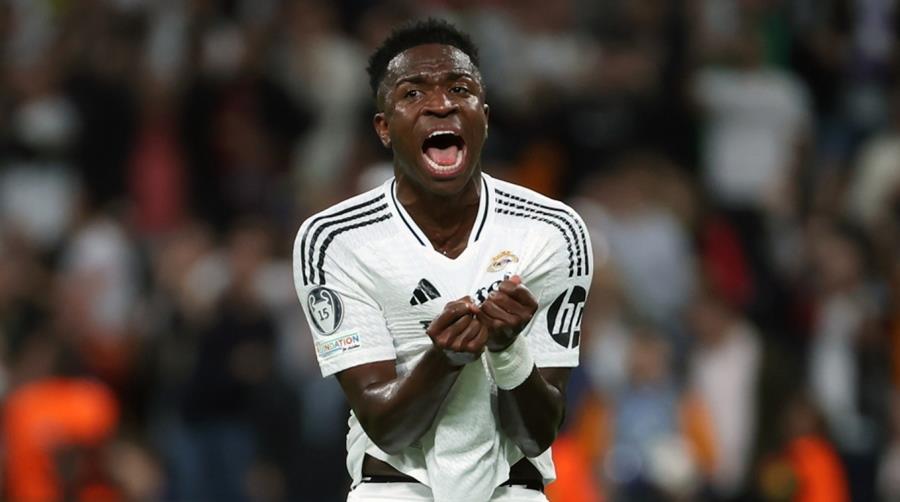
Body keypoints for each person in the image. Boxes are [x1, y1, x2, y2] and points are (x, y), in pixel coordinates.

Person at [292, 19, 593, 502]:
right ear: (384, 128)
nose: (441, 104)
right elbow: (388, 429)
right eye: (413, 93)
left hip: (513, 491)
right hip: (396, 489)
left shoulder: (552, 232)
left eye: (460, 89)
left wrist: (508, 351)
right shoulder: (336, 241)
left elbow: (538, 435)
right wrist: (445, 360)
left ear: (484, 118)